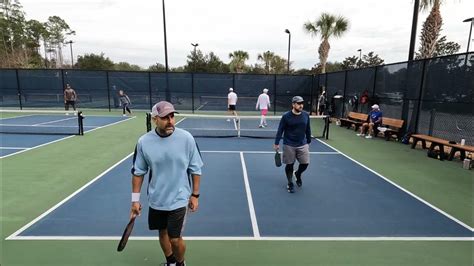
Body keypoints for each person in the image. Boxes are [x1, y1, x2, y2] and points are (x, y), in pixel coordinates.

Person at [130, 101, 203, 266]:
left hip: (179, 198)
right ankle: (170, 262)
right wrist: (135, 200)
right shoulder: (144, 142)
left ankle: (180, 263)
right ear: (155, 119)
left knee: (175, 238)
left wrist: (195, 195)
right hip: (156, 199)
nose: (170, 120)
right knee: (162, 233)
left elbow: (196, 168)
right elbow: (138, 172)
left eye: (172, 116)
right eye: (165, 117)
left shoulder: (186, 138)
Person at [273, 96, 312, 193]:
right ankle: (290, 182)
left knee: (305, 164)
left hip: (302, 144)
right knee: (290, 164)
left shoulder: (306, 115)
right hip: (289, 144)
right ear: (293, 104)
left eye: (302, 103)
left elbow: (308, 128)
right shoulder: (286, 116)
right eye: (299, 103)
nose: (301, 105)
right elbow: (280, 130)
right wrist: (276, 143)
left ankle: (298, 174)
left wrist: (308, 140)